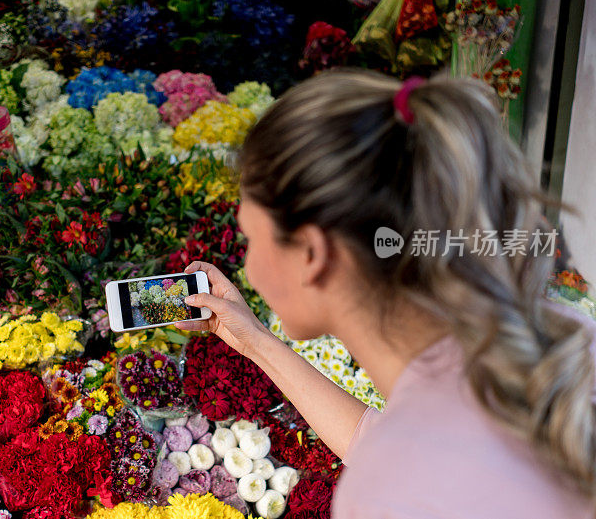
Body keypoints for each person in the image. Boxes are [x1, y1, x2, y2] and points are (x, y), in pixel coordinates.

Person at [174, 71, 596, 518]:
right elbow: (381, 439)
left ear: (312, 254)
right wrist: (254, 340)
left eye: (251, 239)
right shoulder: (563, 336)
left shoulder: (389, 492)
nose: (250, 268)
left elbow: (408, 466)